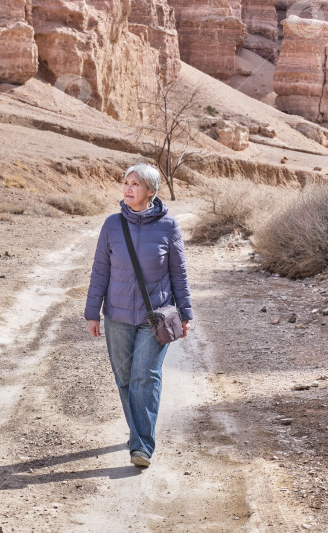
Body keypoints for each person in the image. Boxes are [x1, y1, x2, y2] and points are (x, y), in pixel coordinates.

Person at [84, 163, 193, 468]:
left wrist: (185, 313)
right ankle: (138, 431)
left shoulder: (168, 227)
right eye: (126, 182)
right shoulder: (111, 225)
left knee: (145, 376)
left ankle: (142, 446)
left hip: (154, 317)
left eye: (135, 184)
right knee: (125, 378)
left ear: (150, 191)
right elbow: (100, 271)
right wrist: (93, 312)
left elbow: (178, 273)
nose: (128, 188)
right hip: (117, 316)